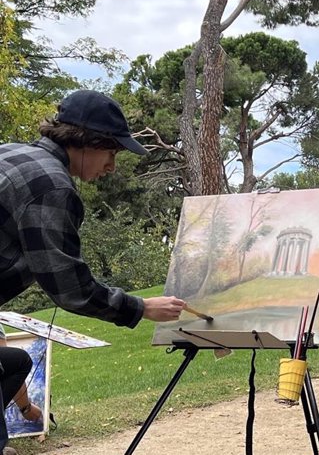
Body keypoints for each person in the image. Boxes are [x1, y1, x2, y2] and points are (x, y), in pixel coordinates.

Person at [0, 90, 187, 453]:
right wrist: (140, 307)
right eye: (112, 152)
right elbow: (69, 286)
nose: (112, 166)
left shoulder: (10, 151)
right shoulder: (51, 185)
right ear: (87, 141)